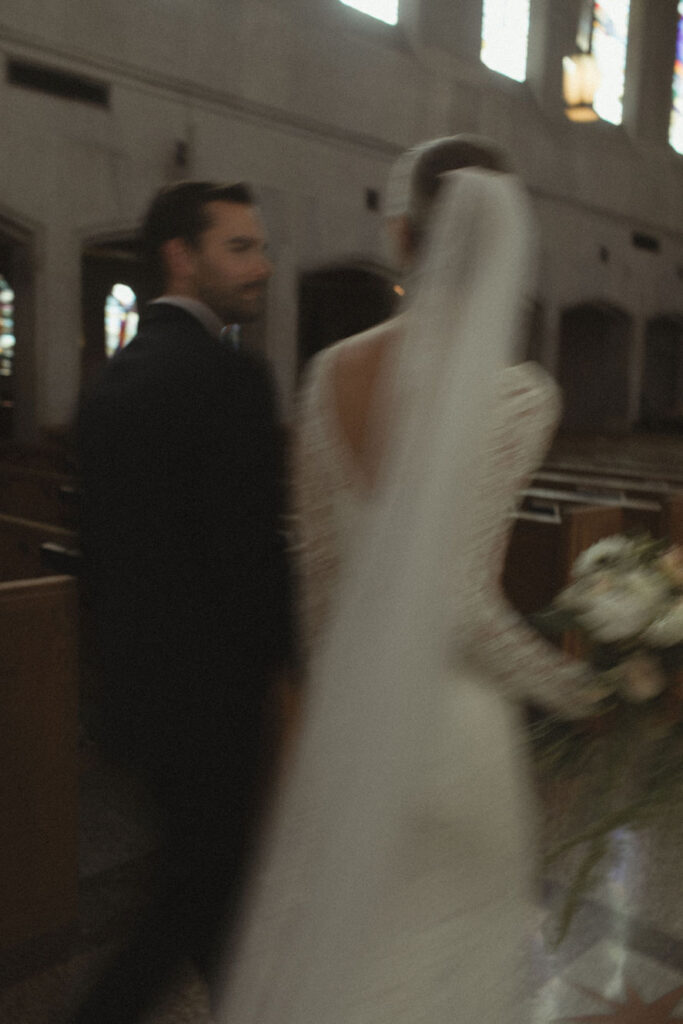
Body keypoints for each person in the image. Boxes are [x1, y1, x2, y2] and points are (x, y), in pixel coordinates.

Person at [213, 136, 598, 1024]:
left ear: (398, 236)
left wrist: (320, 726)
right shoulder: (519, 394)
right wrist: (579, 688)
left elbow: (317, 581)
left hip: (352, 726)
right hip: (454, 738)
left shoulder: (326, 376)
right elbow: (461, 604)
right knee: (447, 985)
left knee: (348, 979)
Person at [75, 181, 293, 1022]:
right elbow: (249, 556)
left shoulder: (112, 380)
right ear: (181, 256)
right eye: (240, 247)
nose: (263, 266)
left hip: (143, 698)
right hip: (216, 704)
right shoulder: (232, 377)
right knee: (189, 905)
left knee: (208, 899)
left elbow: (109, 558)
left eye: (260, 247)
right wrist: (287, 671)